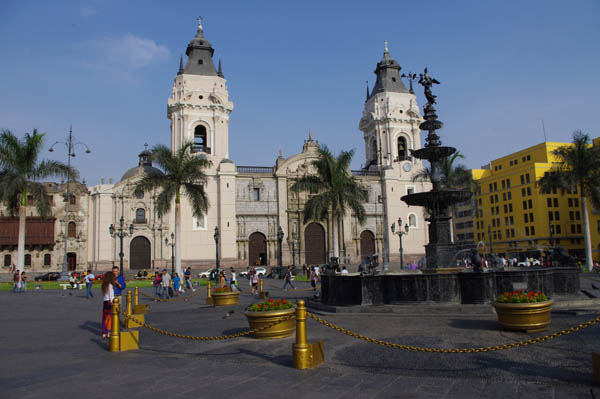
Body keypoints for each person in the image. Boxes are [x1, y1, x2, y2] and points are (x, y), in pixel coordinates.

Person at [101, 272, 116, 339]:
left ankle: (104, 332)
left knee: (104, 318)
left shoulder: (104, 285)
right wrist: (114, 303)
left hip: (105, 302)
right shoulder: (110, 285)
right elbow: (111, 296)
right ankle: (109, 332)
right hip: (109, 302)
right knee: (109, 318)